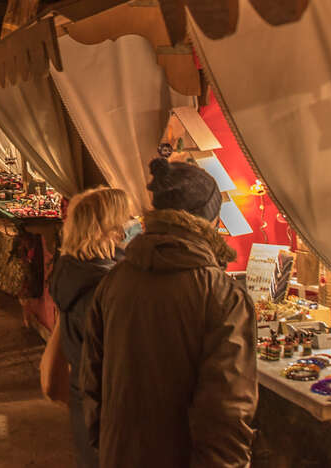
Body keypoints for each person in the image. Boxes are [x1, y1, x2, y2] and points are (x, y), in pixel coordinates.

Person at [81, 151, 256, 467]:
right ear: (211, 220)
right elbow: (227, 410)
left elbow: (92, 380)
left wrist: (105, 443)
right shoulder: (221, 294)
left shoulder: (115, 281)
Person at [47, 187, 140, 468]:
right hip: (110, 411)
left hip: (83, 401)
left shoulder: (70, 269)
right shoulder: (104, 287)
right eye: (127, 218)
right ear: (109, 228)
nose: (133, 225)